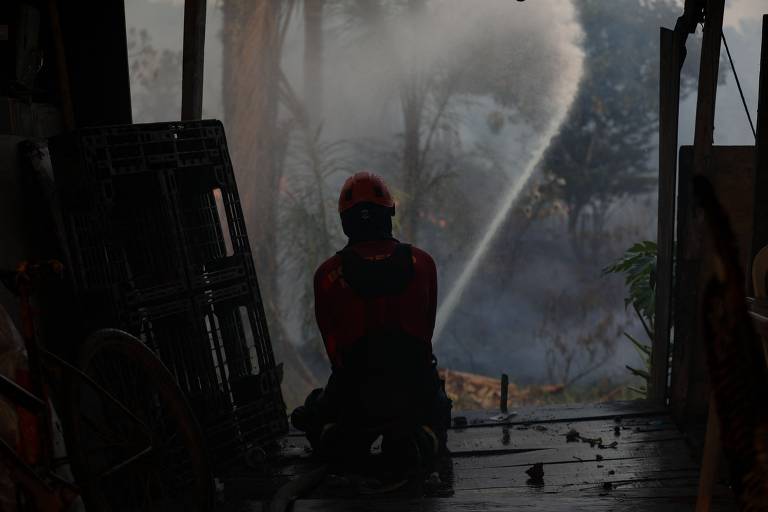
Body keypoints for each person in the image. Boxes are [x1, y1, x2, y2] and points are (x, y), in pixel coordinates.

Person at [291, 171, 451, 476]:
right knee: (438, 409)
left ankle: (338, 439)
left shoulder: (327, 275)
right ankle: (422, 440)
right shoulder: (423, 263)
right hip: (413, 387)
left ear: (344, 222)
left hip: (355, 394)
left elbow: (332, 346)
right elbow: (425, 332)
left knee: (311, 412)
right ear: (390, 213)